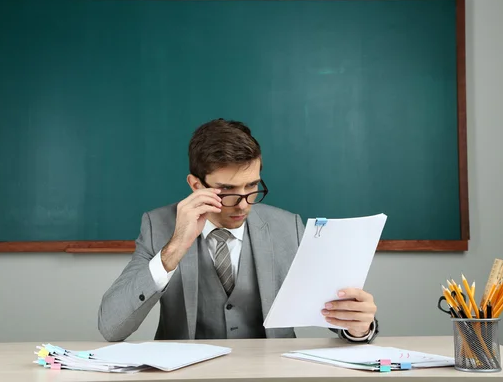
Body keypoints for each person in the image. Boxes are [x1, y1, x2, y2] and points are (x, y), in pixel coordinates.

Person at [98, 119, 378, 343]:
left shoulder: (287, 227)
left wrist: (358, 326)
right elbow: (111, 328)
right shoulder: (157, 225)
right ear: (196, 185)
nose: (244, 204)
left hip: (273, 376)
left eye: (252, 186)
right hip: (185, 376)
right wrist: (173, 249)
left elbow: (336, 310)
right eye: (227, 190)